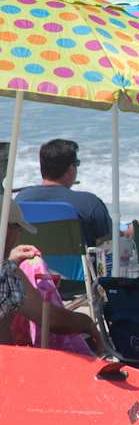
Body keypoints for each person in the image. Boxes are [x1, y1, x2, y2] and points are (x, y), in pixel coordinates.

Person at [0, 204, 102, 347]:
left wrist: (9, 258)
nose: (20, 235)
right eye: (19, 229)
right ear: (8, 230)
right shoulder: (7, 274)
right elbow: (51, 319)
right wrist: (87, 323)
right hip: (5, 364)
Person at [16, 139, 111, 246]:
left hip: (31, 262)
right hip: (76, 263)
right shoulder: (89, 203)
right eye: (77, 163)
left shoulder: (21, 199)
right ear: (71, 169)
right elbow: (108, 244)